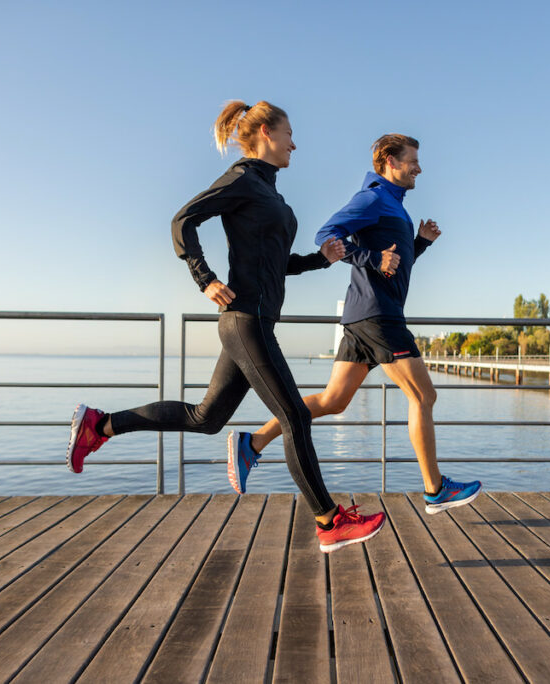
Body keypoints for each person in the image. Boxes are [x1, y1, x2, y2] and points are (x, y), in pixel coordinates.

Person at [65, 100, 385, 553]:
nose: (296, 142)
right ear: (264, 134)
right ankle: (329, 520)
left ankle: (100, 425)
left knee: (207, 418)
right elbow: (183, 220)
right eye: (289, 133)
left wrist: (320, 259)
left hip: (254, 321)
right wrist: (205, 279)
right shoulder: (242, 180)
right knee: (294, 415)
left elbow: (275, 264)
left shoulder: (273, 195)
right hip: (244, 320)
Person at [228, 134, 482, 514]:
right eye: (412, 160)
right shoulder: (373, 197)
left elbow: (393, 263)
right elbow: (325, 235)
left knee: (334, 400)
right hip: (379, 317)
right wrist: (371, 257)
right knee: (424, 396)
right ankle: (435, 490)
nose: (419, 168)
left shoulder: (394, 204)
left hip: (363, 316)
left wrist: (420, 243)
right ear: (389, 162)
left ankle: (253, 443)